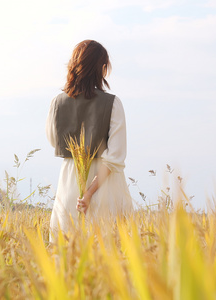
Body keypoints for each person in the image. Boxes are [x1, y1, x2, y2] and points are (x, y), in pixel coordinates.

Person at [46, 40, 133, 241]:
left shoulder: (57, 103)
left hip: (69, 184)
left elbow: (54, 141)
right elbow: (116, 156)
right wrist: (89, 194)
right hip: (104, 185)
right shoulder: (112, 104)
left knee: (67, 252)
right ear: (101, 68)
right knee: (111, 254)